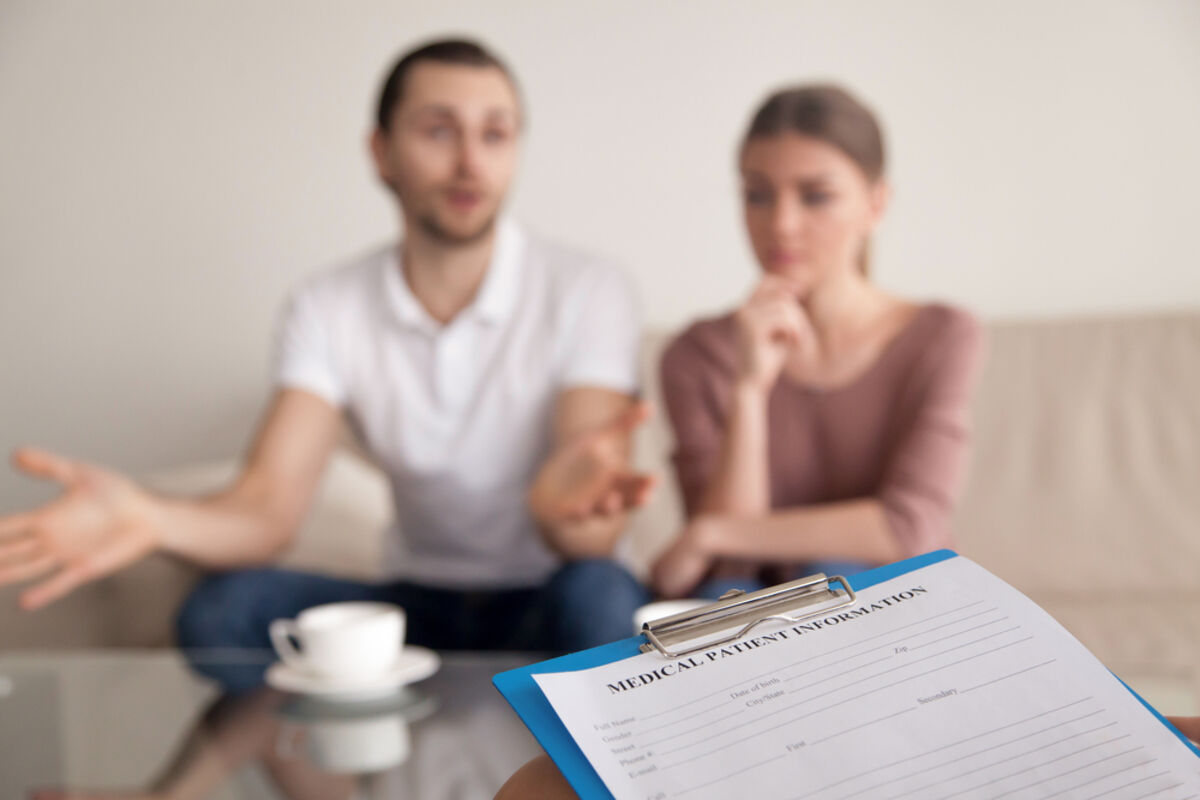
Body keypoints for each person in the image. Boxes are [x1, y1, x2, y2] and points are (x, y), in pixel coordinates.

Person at [0, 38, 655, 691]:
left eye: (495, 134)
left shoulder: (587, 288)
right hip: (414, 603)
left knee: (600, 593)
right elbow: (267, 508)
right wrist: (150, 517)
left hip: (549, 594)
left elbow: (589, 521)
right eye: (438, 131)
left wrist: (568, 508)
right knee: (221, 613)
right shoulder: (327, 305)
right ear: (381, 152)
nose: (470, 162)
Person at [652, 84, 983, 599]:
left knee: (833, 571)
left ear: (876, 205)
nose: (781, 224)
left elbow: (906, 530)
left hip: (897, 614)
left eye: (816, 197)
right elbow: (730, 568)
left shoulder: (941, 336)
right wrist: (748, 390)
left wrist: (710, 531)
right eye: (758, 195)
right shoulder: (696, 356)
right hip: (757, 623)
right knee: (729, 593)